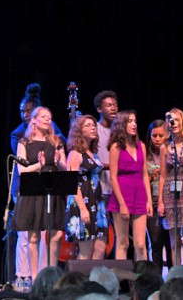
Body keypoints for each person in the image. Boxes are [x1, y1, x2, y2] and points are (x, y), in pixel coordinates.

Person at [10, 84, 64, 281]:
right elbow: (22, 167)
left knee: (50, 235)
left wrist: (58, 161)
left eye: (28, 110)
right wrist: (39, 165)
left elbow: (64, 161)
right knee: (28, 235)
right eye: (22, 111)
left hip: (51, 189)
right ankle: (26, 275)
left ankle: (46, 275)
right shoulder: (20, 137)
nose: (24, 114)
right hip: (30, 188)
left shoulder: (55, 138)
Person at [107, 110, 152, 261]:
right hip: (122, 196)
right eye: (129, 121)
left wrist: (149, 200)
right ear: (121, 125)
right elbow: (113, 177)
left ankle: (143, 280)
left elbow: (145, 174)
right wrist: (122, 204)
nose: (134, 124)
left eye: (134, 121)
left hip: (139, 194)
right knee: (123, 243)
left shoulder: (141, 146)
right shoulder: (116, 147)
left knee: (140, 244)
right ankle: (120, 283)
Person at [65, 114, 108, 259]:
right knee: (86, 249)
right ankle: (79, 281)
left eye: (93, 125)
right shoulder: (75, 154)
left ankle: (94, 280)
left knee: (101, 247)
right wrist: (83, 209)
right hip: (83, 201)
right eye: (88, 125)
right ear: (79, 131)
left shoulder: (93, 153)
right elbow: (70, 183)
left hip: (97, 200)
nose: (93, 128)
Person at [159, 108, 183, 269]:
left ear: (182, 122)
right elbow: (162, 175)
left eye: (176, 120)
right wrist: (160, 201)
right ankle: (176, 273)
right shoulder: (164, 147)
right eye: (170, 120)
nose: (172, 123)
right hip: (170, 194)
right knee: (174, 240)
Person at [94, 89, 119, 252]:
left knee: (119, 234)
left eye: (115, 105)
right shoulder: (93, 129)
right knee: (102, 233)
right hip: (101, 189)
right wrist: (114, 166)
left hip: (118, 189)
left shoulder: (119, 131)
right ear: (99, 109)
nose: (113, 108)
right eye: (109, 105)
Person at [146, 118, 172, 271]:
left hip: (169, 201)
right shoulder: (146, 155)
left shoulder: (171, 152)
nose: (157, 139)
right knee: (156, 243)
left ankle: (172, 276)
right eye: (154, 135)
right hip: (153, 202)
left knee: (170, 243)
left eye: (160, 135)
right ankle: (156, 277)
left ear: (167, 135)